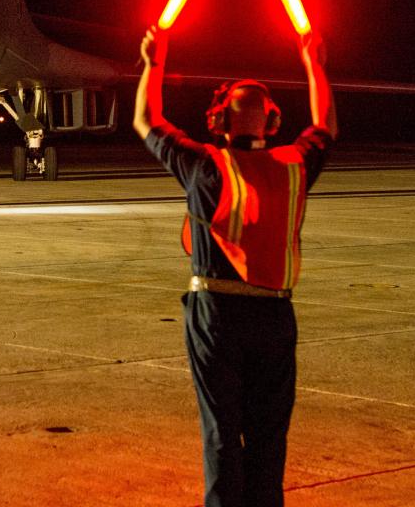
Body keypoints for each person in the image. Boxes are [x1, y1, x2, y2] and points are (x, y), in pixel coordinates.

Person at [133, 25, 337, 507]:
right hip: (275, 316)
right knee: (269, 440)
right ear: (271, 121)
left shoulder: (207, 166)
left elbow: (146, 120)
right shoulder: (293, 165)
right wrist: (315, 65)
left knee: (221, 435)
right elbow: (325, 125)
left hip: (216, 315)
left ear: (218, 121)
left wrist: (153, 62)